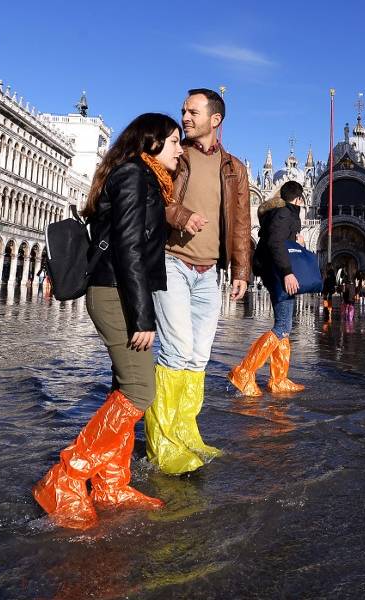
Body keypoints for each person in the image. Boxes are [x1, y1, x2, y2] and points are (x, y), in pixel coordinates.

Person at [33, 113, 181, 529]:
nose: (179, 149)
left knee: (124, 385)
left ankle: (112, 483)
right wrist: (142, 315)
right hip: (117, 292)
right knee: (139, 390)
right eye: (173, 140)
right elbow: (129, 247)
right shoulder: (135, 175)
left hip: (120, 290)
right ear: (150, 142)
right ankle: (67, 476)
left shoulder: (137, 176)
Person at [144, 88, 252, 476]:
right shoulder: (176, 154)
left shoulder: (235, 168)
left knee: (198, 355)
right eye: (183, 111)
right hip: (172, 261)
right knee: (175, 350)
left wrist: (241, 270)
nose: (185, 117)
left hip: (209, 272)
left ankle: (187, 432)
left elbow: (240, 222)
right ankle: (163, 443)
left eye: (192, 111)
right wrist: (180, 216)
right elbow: (153, 197)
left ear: (215, 119)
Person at [229, 181, 307, 397]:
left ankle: (279, 379)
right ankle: (244, 372)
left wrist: (296, 240)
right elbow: (275, 243)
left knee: (285, 326)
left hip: (276, 273)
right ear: (299, 199)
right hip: (279, 274)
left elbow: (279, 241)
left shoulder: (280, 213)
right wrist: (287, 272)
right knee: (282, 326)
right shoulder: (284, 214)